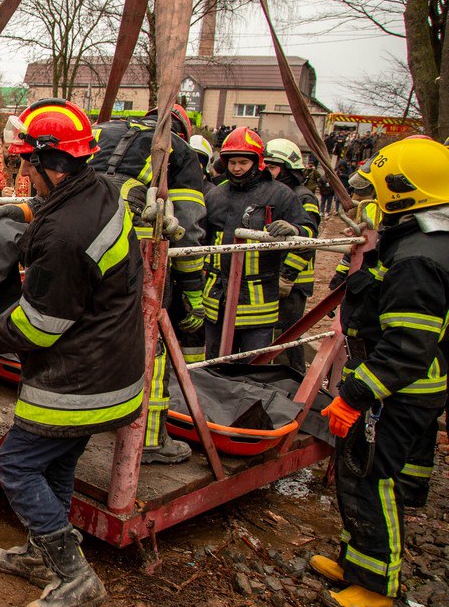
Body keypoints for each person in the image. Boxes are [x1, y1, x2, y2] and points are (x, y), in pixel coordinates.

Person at [0, 98, 144, 607]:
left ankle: (74, 575)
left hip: (78, 375)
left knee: (16, 464)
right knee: (55, 459)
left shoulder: (64, 235)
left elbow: (38, 325)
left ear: (50, 163)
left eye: (24, 164)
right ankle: (43, 554)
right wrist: (27, 213)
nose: (20, 173)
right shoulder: (98, 190)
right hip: (111, 366)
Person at [312, 137, 449, 607]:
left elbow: (407, 347)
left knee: (372, 480)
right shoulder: (420, 241)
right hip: (400, 389)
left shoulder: (418, 258)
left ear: (403, 190)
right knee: (359, 475)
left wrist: (354, 394)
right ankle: (358, 562)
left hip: (394, 393)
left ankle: (375, 586)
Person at [87, 102, 205, 463]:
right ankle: (150, 440)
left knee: (89, 331)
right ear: (181, 129)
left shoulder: (102, 131)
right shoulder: (178, 150)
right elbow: (186, 234)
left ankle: (94, 415)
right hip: (139, 265)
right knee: (149, 347)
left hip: (83, 251)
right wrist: (193, 297)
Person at [201, 127, 312, 359]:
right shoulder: (215, 195)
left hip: (257, 306)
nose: (237, 168)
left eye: (243, 162)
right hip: (216, 303)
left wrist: (295, 230)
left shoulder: (280, 195)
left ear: (257, 162)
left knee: (254, 370)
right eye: (232, 163)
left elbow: (310, 232)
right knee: (213, 369)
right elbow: (202, 238)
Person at [264, 139, 321, 373]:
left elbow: (308, 240)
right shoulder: (277, 194)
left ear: (289, 169)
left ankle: (296, 376)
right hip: (275, 275)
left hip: (294, 281)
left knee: (288, 333)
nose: (268, 172)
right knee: (276, 332)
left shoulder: (304, 197)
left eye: (273, 167)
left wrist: (287, 276)